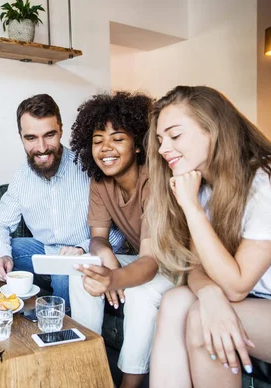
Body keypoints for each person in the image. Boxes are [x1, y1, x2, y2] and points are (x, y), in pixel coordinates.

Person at [147, 86, 271, 387]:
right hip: (262, 302)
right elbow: (197, 266)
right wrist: (210, 294)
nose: (164, 148)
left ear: (213, 129)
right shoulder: (205, 187)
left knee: (200, 322)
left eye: (174, 136)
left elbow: (236, 286)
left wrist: (190, 206)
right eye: (160, 140)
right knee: (175, 301)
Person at [68, 92, 174, 388]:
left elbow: (152, 263)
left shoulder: (155, 180)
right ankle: (90, 374)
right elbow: (97, 240)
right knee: (82, 271)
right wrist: (107, 261)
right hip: (144, 260)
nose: (105, 148)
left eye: (117, 138)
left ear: (138, 144)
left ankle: (129, 383)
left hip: (179, 267)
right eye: (98, 140)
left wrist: (114, 279)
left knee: (140, 294)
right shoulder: (100, 181)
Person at [0, 93, 124, 309]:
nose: (41, 148)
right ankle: (14, 316)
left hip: (86, 253)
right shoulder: (22, 177)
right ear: (21, 137)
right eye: (31, 138)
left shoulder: (89, 167)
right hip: (46, 251)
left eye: (49, 135)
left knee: (65, 273)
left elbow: (118, 233)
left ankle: (58, 329)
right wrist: (2, 254)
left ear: (60, 129)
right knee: (1, 254)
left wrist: (81, 248)